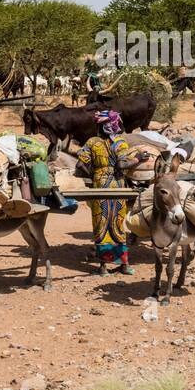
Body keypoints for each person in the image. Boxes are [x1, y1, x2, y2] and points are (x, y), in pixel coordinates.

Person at [76, 109, 140, 275]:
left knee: (101, 224)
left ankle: (103, 267)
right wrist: (138, 159)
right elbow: (121, 165)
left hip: (99, 186)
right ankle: (124, 265)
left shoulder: (92, 142)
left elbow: (80, 165)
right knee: (118, 224)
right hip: (118, 186)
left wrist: (95, 173)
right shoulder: (120, 143)